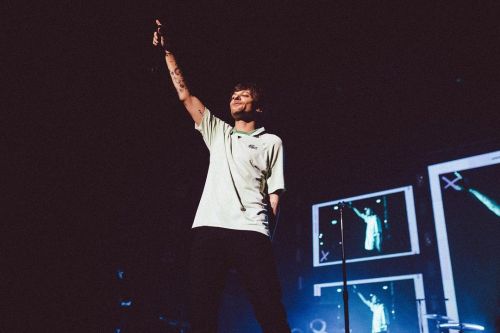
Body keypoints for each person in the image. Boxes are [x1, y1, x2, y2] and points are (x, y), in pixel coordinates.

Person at [152, 20, 291, 333]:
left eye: (244, 96)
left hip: (251, 230)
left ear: (259, 108)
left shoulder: (272, 142)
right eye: (234, 95)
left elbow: (275, 193)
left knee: (269, 309)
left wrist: (268, 236)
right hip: (209, 229)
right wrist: (168, 52)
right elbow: (186, 95)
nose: (236, 98)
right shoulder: (218, 132)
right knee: (202, 312)